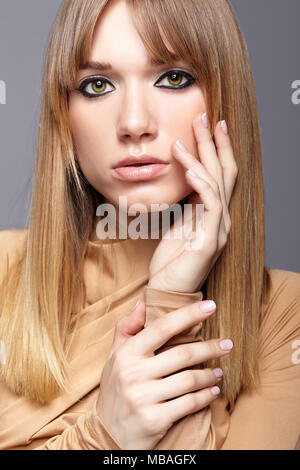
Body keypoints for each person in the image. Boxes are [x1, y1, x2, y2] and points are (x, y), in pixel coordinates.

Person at [0, 0, 299, 450]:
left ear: (225, 100)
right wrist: (104, 437)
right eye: (97, 85)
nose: (134, 123)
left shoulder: (284, 317)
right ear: (64, 115)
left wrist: (171, 300)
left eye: (173, 78)